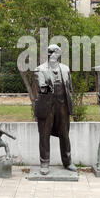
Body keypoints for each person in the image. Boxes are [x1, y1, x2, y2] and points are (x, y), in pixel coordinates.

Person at [34, 44, 77, 175]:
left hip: (63, 106)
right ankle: (44, 163)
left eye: (56, 52)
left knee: (65, 135)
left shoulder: (65, 69)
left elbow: (69, 87)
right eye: (51, 52)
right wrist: (48, 89)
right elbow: (41, 87)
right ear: (48, 54)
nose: (53, 55)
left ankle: (67, 161)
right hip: (47, 107)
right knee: (44, 135)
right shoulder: (39, 69)